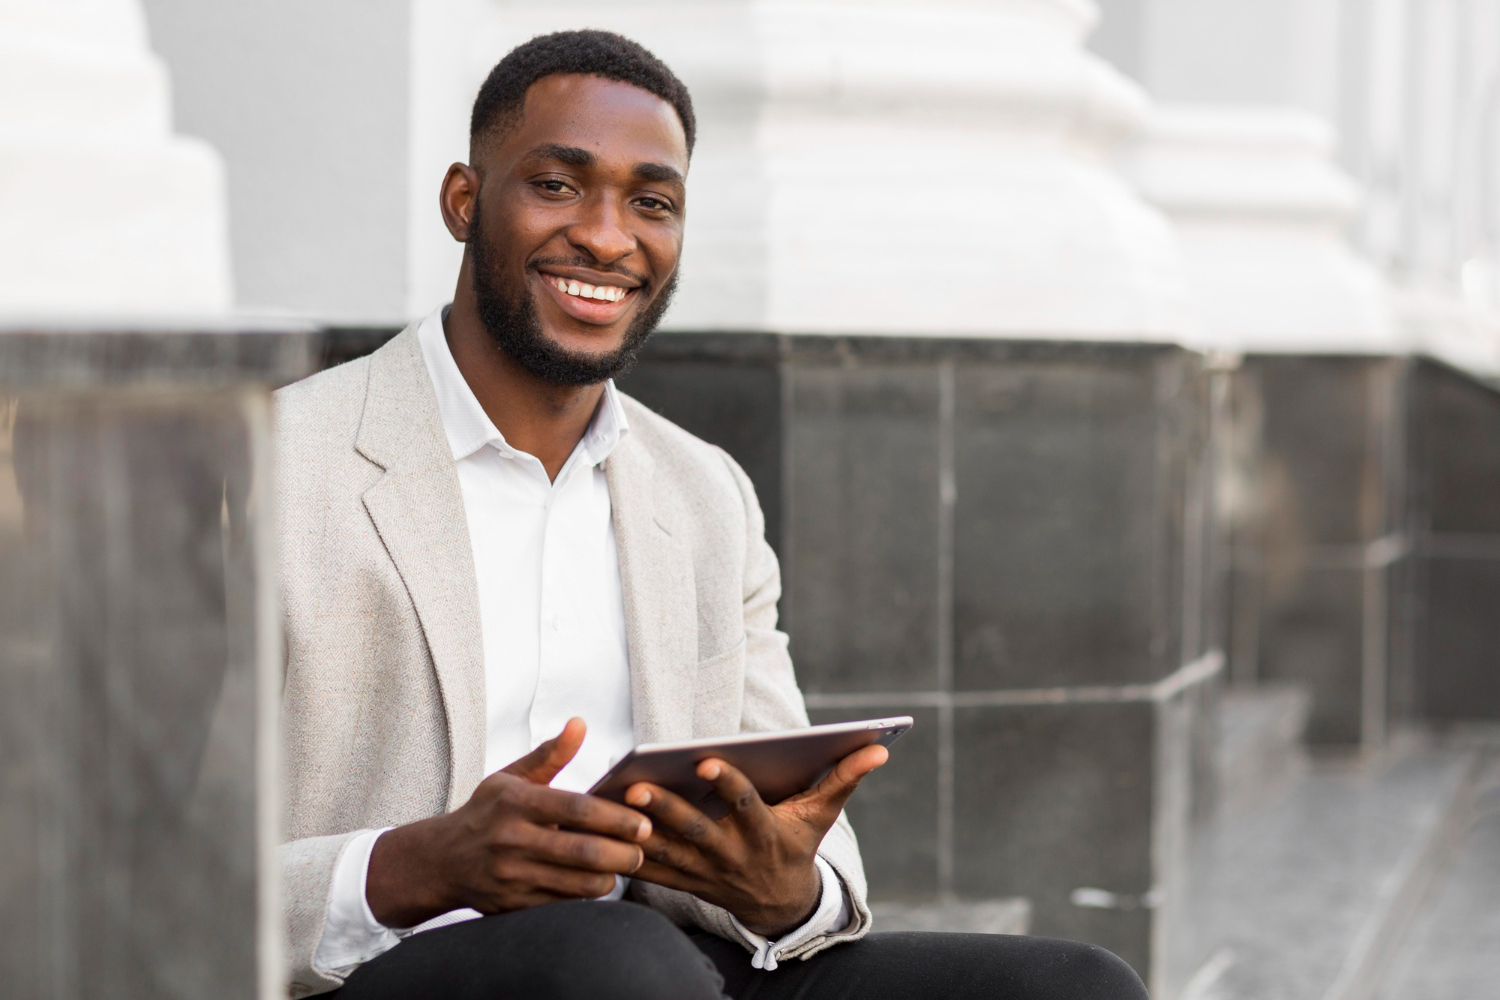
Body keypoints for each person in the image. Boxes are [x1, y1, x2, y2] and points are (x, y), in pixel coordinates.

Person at [275, 28, 1149, 1000]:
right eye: (558, 185)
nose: (609, 237)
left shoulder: (704, 494)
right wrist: (414, 865)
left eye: (652, 202)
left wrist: (788, 890)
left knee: (1075, 985)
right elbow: (138, 863)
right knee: (614, 957)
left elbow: (813, 861)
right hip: (382, 974)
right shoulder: (272, 464)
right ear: (464, 201)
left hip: (665, 966)